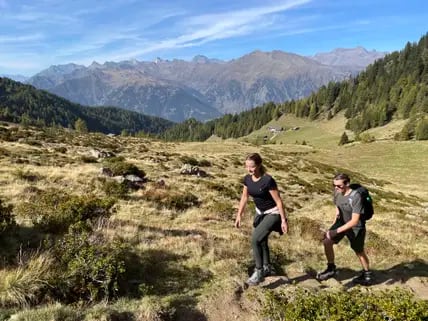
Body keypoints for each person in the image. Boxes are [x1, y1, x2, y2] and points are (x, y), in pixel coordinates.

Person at [235, 153, 288, 286]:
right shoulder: (247, 179)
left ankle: (258, 272)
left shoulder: (267, 180)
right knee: (262, 240)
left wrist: (283, 220)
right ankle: (266, 266)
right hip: (260, 213)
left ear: (258, 165)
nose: (249, 169)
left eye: (252, 167)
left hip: (273, 213)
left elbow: (278, 201)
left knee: (255, 239)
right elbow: (244, 197)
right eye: (247, 166)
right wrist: (239, 215)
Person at [316, 173, 374, 285]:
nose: (336, 188)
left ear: (347, 184)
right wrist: (333, 225)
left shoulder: (355, 197)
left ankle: (367, 275)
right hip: (342, 222)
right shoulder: (337, 192)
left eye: (339, 186)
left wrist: (336, 231)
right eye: (334, 185)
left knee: (359, 251)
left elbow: (354, 221)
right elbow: (338, 208)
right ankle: (331, 268)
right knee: (327, 241)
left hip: (356, 227)